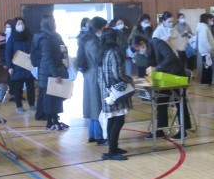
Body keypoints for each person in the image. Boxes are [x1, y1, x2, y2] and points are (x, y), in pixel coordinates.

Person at [131, 35, 192, 139]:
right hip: (165, 77)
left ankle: (183, 131)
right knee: (161, 101)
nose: (139, 51)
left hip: (176, 74)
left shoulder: (158, 43)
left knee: (180, 102)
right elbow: (151, 63)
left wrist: (157, 68)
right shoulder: (148, 49)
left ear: (142, 43)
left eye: (138, 48)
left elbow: (170, 57)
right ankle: (160, 130)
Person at [97, 28, 133, 160]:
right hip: (116, 92)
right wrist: (129, 80)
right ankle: (112, 151)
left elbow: (100, 75)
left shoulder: (102, 52)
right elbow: (117, 74)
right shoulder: (114, 53)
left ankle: (113, 147)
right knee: (118, 120)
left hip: (106, 92)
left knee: (112, 119)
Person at [36, 14, 70, 131]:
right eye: (53, 21)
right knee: (49, 99)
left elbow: (63, 49)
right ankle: (49, 122)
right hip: (48, 73)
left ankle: (56, 121)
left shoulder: (55, 36)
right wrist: (55, 75)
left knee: (56, 98)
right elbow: (48, 58)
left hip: (57, 70)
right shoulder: (45, 38)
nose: (55, 23)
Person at [77, 16, 108, 144]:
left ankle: (92, 134)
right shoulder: (94, 43)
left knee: (92, 105)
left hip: (89, 75)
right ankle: (99, 136)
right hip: (96, 75)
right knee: (97, 106)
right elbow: (98, 60)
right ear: (99, 28)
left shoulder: (86, 39)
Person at [5, 17, 36, 112]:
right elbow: (8, 53)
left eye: (22, 23)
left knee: (31, 87)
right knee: (18, 87)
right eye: (18, 24)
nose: (20, 25)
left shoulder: (30, 36)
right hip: (17, 66)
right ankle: (19, 106)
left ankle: (32, 104)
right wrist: (9, 66)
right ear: (15, 26)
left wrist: (33, 55)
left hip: (29, 65)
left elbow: (35, 48)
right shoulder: (12, 38)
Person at [196, 13, 214, 86]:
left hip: (206, 51)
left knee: (208, 68)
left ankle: (207, 82)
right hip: (206, 51)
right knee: (207, 68)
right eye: (210, 19)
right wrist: (211, 48)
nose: (212, 21)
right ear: (206, 19)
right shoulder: (204, 28)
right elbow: (204, 41)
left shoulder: (204, 27)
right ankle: (205, 83)